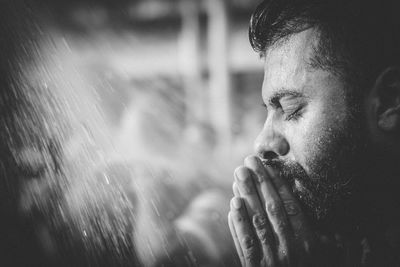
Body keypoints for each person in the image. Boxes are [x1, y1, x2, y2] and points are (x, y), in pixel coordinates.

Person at [228, 0, 400, 266]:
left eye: (290, 108)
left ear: (389, 101)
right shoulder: (358, 237)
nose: (261, 142)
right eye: (268, 111)